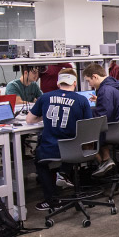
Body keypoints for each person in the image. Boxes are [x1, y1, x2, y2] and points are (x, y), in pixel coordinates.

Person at [25, 69, 93, 210]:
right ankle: (63, 174)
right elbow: (88, 128)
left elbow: (29, 120)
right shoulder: (82, 100)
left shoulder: (45, 98)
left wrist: (44, 115)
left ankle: (51, 199)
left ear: (58, 83)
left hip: (50, 149)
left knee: (40, 161)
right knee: (66, 153)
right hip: (73, 150)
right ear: (74, 83)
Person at [82, 63, 119, 177]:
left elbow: (103, 116)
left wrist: (87, 116)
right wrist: (100, 100)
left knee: (84, 135)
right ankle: (106, 161)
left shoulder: (104, 90)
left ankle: (104, 162)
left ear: (95, 76)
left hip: (113, 130)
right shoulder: (117, 85)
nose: (90, 84)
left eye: (89, 81)